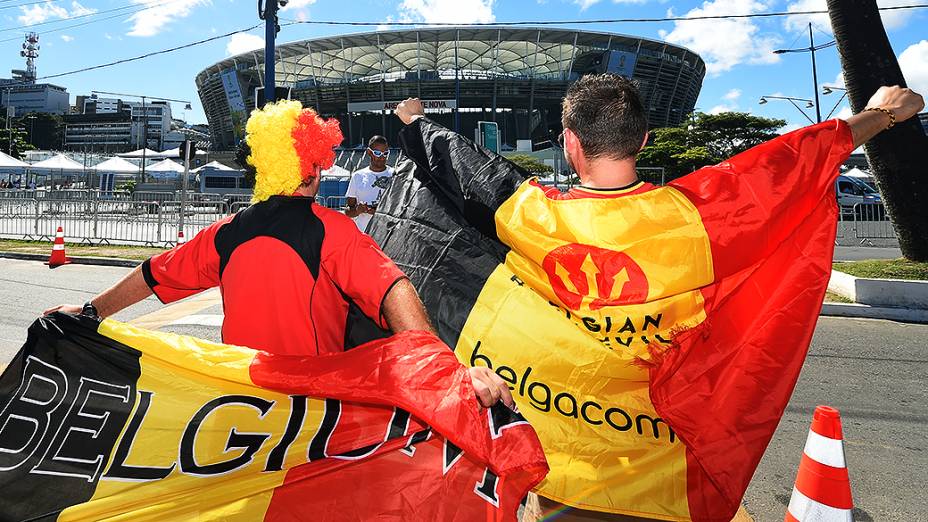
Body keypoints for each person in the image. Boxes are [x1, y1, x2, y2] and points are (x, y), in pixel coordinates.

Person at [391, 78, 924, 521]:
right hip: (666, 484)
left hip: (558, 477)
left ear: (569, 142)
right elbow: (791, 163)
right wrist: (881, 113)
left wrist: (417, 122)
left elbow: (464, 166)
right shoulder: (691, 219)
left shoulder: (532, 218)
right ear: (644, 140)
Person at [44, 100, 513, 410]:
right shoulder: (332, 230)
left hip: (239, 402)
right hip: (314, 408)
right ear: (314, 167)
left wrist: (88, 311)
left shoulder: (225, 233)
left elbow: (151, 275)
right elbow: (394, 288)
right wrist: (441, 372)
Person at [345, 135, 393, 232]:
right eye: (377, 153)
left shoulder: (395, 175)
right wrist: (358, 210)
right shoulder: (357, 176)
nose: (382, 157)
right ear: (369, 152)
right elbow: (348, 211)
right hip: (363, 235)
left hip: (387, 235)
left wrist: (380, 211)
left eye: (385, 153)